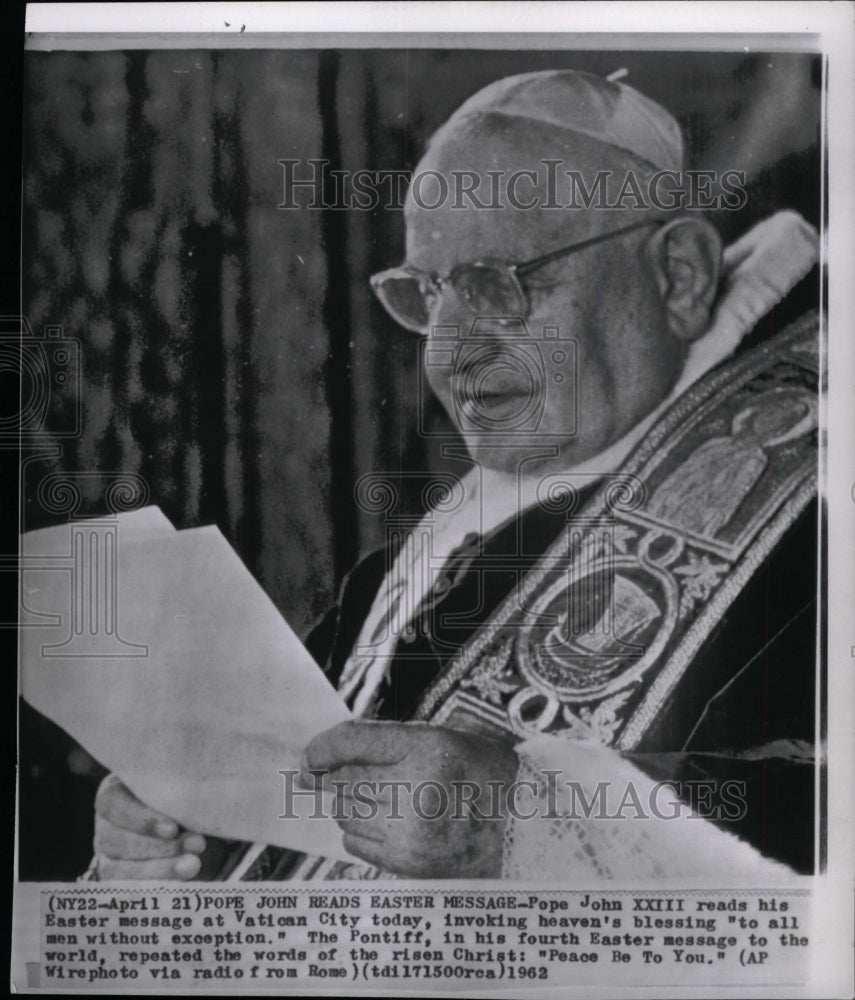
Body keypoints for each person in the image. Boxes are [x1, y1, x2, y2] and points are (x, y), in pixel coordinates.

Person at [89, 70, 820, 882]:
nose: (447, 353)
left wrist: (528, 831)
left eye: (499, 285)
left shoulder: (823, 502)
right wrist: (173, 838)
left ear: (676, 275)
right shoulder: (418, 566)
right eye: (427, 295)